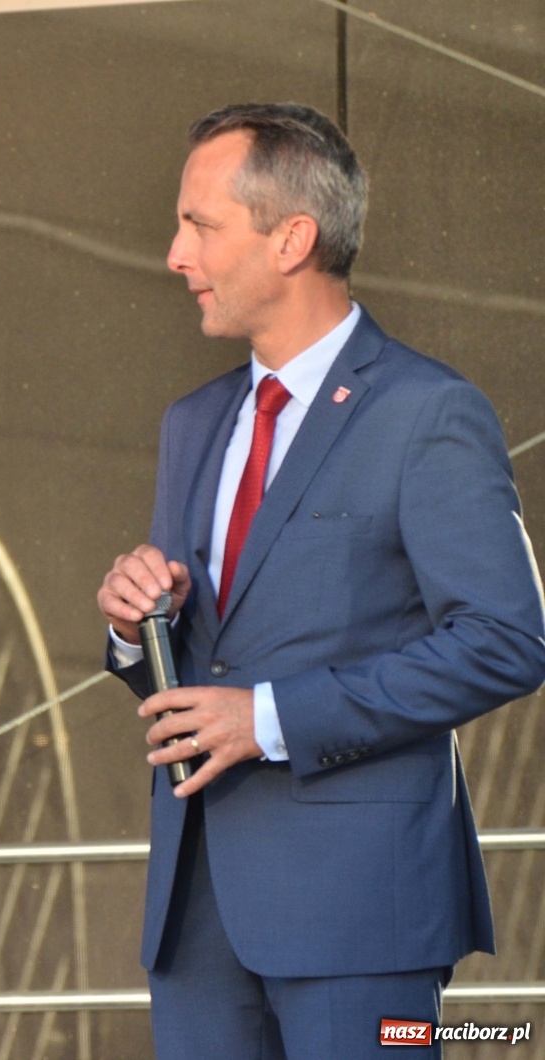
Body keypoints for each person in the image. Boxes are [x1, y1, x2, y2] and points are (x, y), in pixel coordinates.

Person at [96, 102, 545, 1058]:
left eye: (200, 225)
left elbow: (507, 640)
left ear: (292, 239)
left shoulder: (427, 413)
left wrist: (268, 719)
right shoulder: (193, 422)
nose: (175, 255)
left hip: (360, 914)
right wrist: (138, 628)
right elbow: (199, 672)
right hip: (195, 916)